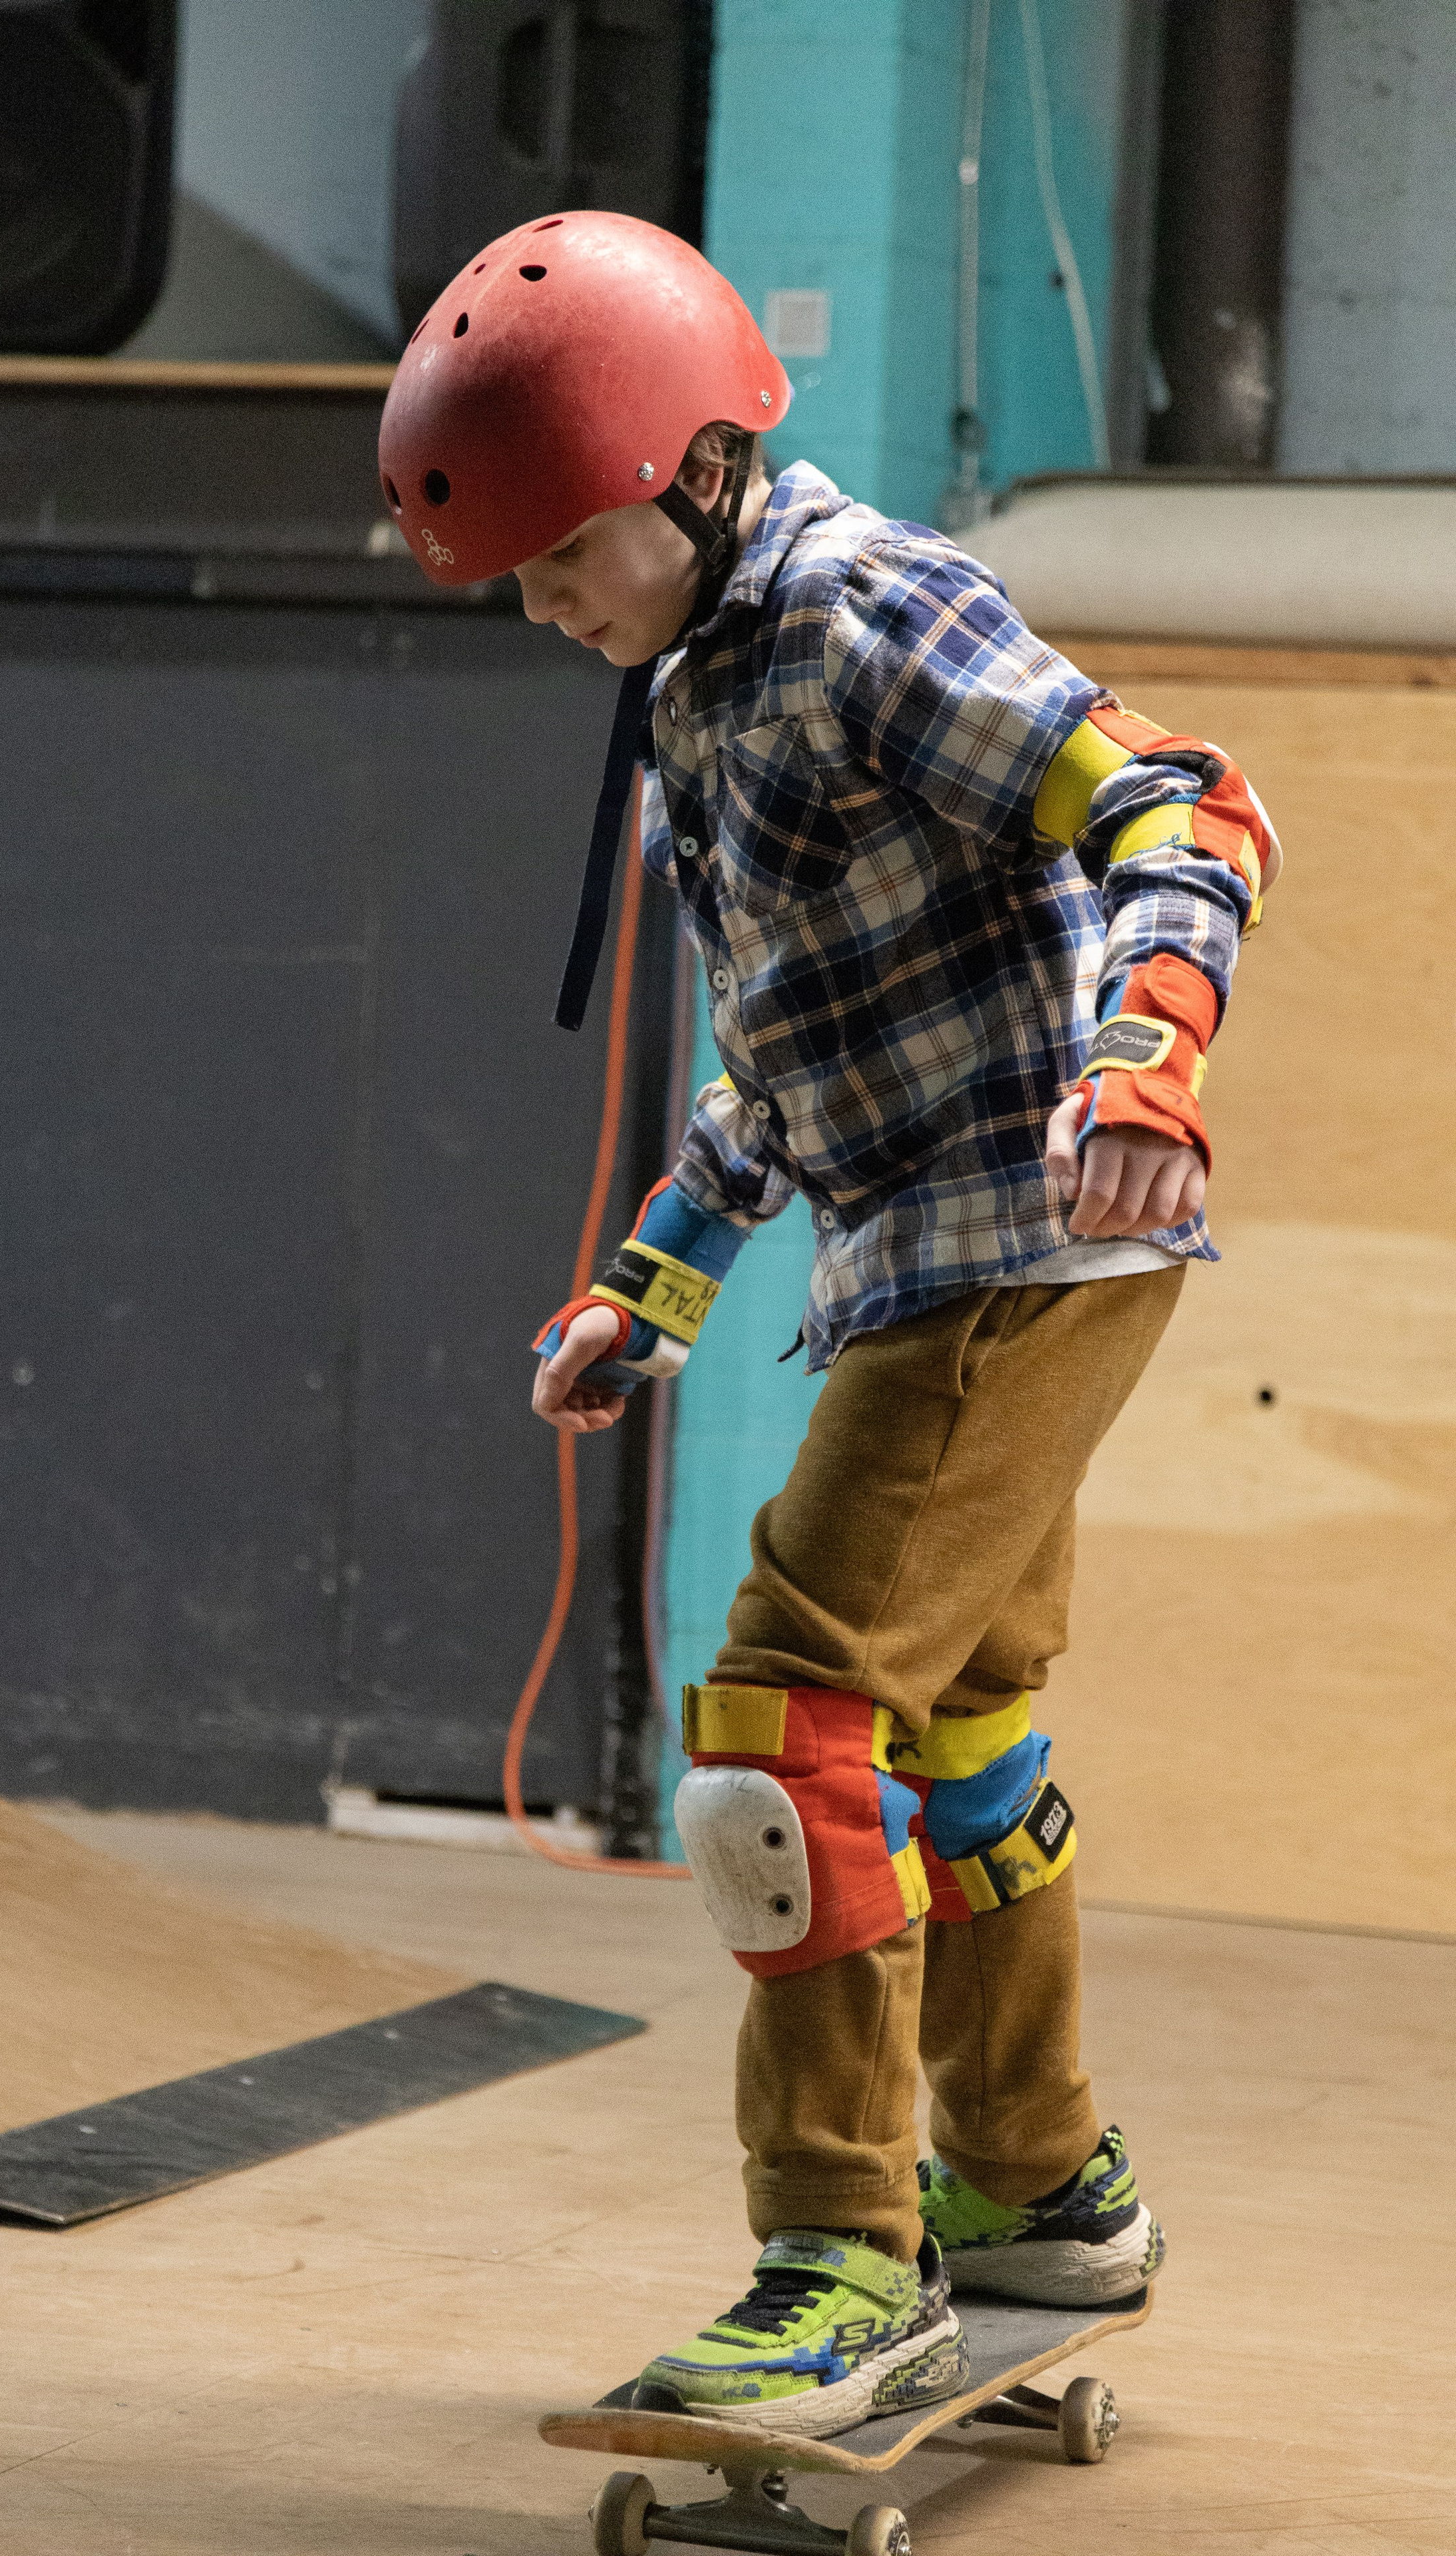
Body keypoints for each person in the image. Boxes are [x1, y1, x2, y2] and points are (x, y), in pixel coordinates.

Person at [379, 213, 1278, 2440]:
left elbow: (1184, 801)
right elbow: (798, 1046)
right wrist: (652, 1281)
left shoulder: (867, 615)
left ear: (688, 478)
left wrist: (1147, 1056)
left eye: (563, 548)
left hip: (1021, 1240)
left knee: (778, 1735)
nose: (543, 601)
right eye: (513, 574)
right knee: (960, 1744)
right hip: (940, 1247)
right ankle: (1043, 2182)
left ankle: (840, 2255)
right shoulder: (701, 680)